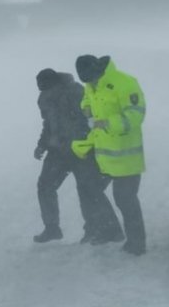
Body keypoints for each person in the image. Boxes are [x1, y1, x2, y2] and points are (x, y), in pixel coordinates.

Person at [32, 68, 124, 244]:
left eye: (47, 89)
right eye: (42, 90)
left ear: (56, 84)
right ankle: (52, 228)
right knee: (45, 187)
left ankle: (106, 230)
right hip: (57, 152)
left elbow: (88, 121)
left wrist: (85, 144)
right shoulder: (44, 98)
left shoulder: (76, 92)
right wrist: (41, 146)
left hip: (81, 150)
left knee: (89, 189)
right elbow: (48, 125)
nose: (45, 93)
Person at [71, 55, 147, 255]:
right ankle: (109, 231)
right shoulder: (91, 84)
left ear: (99, 71)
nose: (90, 84)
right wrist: (85, 107)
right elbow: (88, 97)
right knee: (88, 188)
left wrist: (108, 123)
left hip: (125, 156)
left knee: (125, 199)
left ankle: (137, 244)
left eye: (92, 79)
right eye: (86, 81)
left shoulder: (125, 83)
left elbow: (136, 114)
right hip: (102, 154)